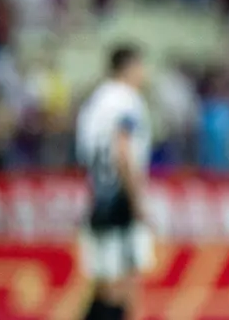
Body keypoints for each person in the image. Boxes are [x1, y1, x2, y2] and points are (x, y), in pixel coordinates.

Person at [75, 45, 155, 320]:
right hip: (119, 197)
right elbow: (122, 149)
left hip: (98, 195)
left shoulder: (95, 102)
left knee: (102, 284)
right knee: (121, 286)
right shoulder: (126, 100)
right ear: (130, 67)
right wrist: (136, 200)